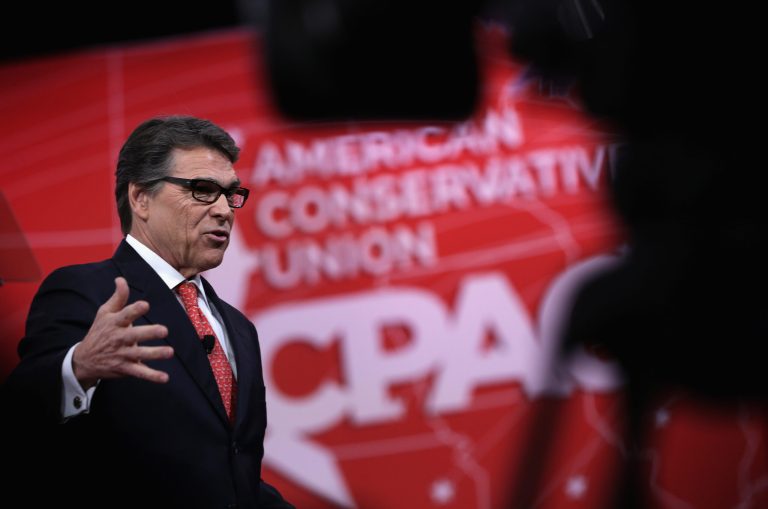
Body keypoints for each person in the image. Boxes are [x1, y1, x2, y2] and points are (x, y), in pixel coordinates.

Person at [1, 115, 295, 509]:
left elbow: (229, 470)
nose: (225, 210)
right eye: (203, 190)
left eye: (231, 193)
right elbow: (19, 410)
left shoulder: (239, 329)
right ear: (140, 198)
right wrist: (79, 366)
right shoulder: (89, 292)